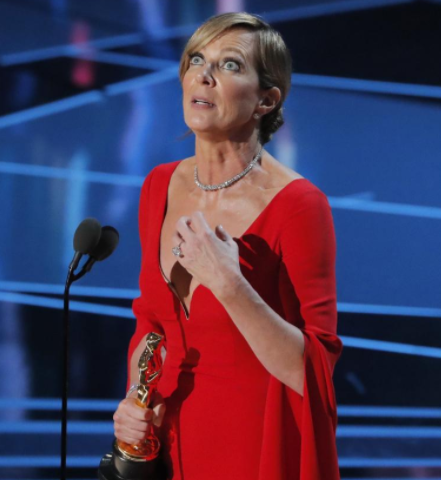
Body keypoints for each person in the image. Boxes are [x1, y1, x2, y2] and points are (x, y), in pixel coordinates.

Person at [113, 12, 342, 480]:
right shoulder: (159, 186)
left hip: (253, 450)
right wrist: (134, 402)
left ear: (266, 99)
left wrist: (228, 283)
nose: (204, 74)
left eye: (230, 65)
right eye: (197, 58)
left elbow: (314, 373)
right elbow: (151, 323)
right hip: (170, 447)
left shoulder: (299, 206)